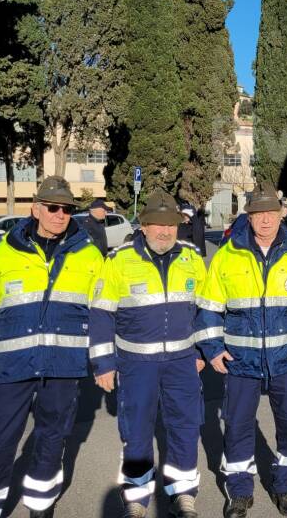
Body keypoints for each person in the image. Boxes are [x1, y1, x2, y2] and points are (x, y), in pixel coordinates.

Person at [0, 176, 103, 518]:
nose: (59, 214)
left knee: (53, 438)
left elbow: (104, 313)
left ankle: (40, 504)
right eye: (52, 207)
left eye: (66, 209)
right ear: (35, 209)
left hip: (65, 366)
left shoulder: (89, 254)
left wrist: (105, 361)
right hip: (13, 365)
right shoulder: (3, 253)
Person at [196, 184, 287, 518]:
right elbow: (209, 307)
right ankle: (240, 490)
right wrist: (213, 349)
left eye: (271, 212)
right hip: (241, 361)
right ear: (249, 216)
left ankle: (284, 485)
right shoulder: (227, 254)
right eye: (258, 213)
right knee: (238, 425)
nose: (265, 219)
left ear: (282, 213)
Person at [88, 189, 208, 518]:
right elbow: (100, 313)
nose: (164, 230)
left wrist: (203, 349)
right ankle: (138, 499)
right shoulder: (119, 261)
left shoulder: (192, 258)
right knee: (137, 431)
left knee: (185, 427)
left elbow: (207, 309)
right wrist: (103, 363)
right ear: (143, 225)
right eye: (157, 223)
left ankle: (183, 495)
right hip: (136, 365)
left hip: (183, 364)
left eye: (170, 224)